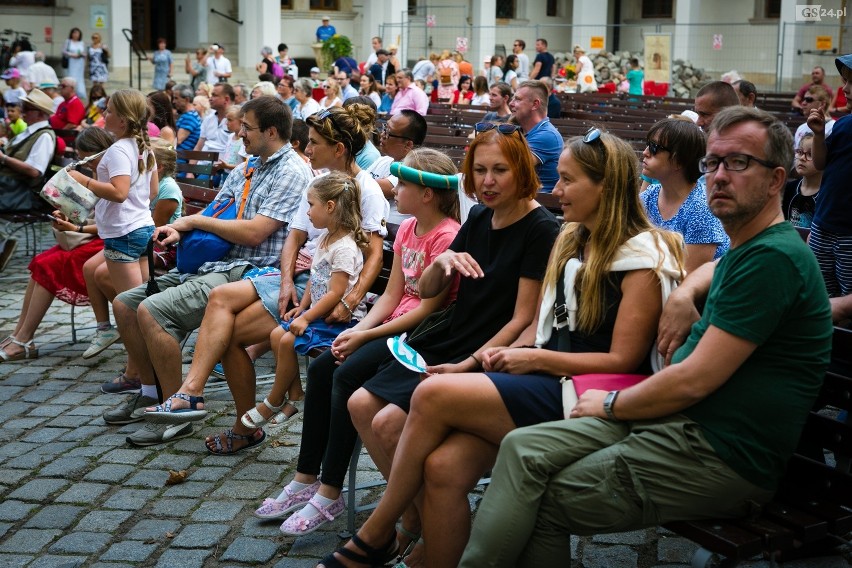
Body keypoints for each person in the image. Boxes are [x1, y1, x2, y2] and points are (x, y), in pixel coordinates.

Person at [458, 105, 833, 568]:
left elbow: (693, 380)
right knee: (519, 447)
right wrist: (688, 290)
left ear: (777, 180)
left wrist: (613, 405)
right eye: (711, 163)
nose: (718, 176)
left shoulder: (772, 260)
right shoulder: (750, 248)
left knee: (547, 498)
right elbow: (718, 269)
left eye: (737, 163)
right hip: (676, 424)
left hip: (718, 453)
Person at [325, 127, 684, 568]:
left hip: (590, 390)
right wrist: (445, 271)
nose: (557, 188)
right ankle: (420, 546)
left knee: (430, 394)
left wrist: (519, 357)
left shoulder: (635, 257)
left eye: (568, 180)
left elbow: (622, 361)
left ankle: (377, 533)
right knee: (441, 467)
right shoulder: (575, 238)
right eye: (480, 170)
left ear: (606, 187)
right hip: (542, 370)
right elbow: (532, 320)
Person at [321, 119, 560, 568]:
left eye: (500, 171)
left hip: (488, 346)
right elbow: (429, 289)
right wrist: (444, 260)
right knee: (359, 404)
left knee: (390, 423)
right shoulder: (479, 216)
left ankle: (405, 530)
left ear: (523, 173)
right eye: (480, 170)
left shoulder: (540, 228)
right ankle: (413, 517)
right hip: (452, 335)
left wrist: (470, 365)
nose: (487, 182)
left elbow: (524, 318)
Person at [141, 104, 386, 450]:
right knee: (220, 300)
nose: (308, 148)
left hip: (327, 284)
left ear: (339, 149)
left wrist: (351, 298)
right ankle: (192, 394)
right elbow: (294, 237)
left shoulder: (365, 188)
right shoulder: (318, 181)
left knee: (227, 333)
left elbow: (374, 253)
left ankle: (241, 424)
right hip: (297, 276)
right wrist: (285, 281)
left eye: (315, 143)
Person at [257, 148, 461, 535]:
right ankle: (305, 478)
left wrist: (367, 334)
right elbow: (393, 294)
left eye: (402, 184)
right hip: (391, 327)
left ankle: (331, 489)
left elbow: (427, 308)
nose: (394, 189)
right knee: (321, 367)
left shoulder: (446, 235)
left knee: (343, 377)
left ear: (428, 194)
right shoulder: (406, 228)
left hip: (419, 336)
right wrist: (358, 328)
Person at [104, 96, 312, 447]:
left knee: (153, 310)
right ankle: (151, 392)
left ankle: (177, 411)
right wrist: (180, 229)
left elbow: (256, 231)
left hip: (250, 269)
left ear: (271, 131)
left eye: (246, 127)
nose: (239, 134)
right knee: (125, 303)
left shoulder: (291, 171)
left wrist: (195, 220)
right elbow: (220, 208)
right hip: (216, 263)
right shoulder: (250, 164)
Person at [229, 171, 370, 449]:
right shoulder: (325, 239)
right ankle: (295, 394)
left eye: (311, 205)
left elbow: (335, 294)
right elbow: (315, 281)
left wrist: (307, 317)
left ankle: (272, 400)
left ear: (330, 207)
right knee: (274, 336)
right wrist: (301, 309)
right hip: (317, 314)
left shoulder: (344, 248)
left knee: (288, 339)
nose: (307, 212)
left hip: (337, 323)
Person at [0, 127, 113, 361]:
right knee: (41, 261)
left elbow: (112, 224)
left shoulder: (114, 175)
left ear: (97, 152)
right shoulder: (103, 172)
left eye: (87, 157)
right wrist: (69, 216)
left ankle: (23, 339)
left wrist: (77, 228)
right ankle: (20, 335)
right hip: (102, 235)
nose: (85, 163)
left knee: (51, 264)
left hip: (110, 240)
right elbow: (98, 217)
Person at [65, 90, 157, 332]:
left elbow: (119, 192)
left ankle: (137, 369)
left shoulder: (118, 150)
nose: (104, 114)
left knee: (131, 308)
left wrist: (82, 180)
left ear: (123, 120)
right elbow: (153, 190)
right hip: (142, 227)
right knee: (143, 304)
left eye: (109, 110)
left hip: (123, 233)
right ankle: (141, 365)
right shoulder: (143, 145)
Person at [640, 118, 729, 274]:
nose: (645, 152)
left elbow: (686, 276)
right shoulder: (649, 197)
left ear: (678, 161)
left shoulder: (702, 209)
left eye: (654, 148)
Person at [807, 53, 852, 311]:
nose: (844, 88)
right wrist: (818, 135)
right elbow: (821, 162)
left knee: (847, 297)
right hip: (824, 225)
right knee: (820, 291)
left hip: (849, 234)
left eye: (851, 82)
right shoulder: (844, 125)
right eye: (845, 81)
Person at [0, 89, 57, 215]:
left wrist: (3, 158)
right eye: (23, 107)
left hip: (14, 189)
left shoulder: (44, 136)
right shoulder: (29, 131)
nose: (22, 112)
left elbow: (34, 171)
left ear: (41, 114)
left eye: (27, 108)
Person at [371, 109, 428, 223]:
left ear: (408, 144)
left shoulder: (414, 169)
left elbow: (365, 186)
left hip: (391, 235)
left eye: (388, 132)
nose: (382, 134)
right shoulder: (382, 161)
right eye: (384, 128)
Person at [509, 80, 563, 192]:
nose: (511, 103)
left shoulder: (547, 135)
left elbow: (511, 167)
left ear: (535, 104)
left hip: (541, 204)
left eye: (518, 99)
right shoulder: (520, 130)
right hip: (522, 199)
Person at [783, 133, 821, 228]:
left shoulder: (828, 194)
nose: (802, 158)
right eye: (799, 152)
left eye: (810, 154)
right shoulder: (788, 188)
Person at [794, 84, 834, 150]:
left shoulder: (833, 127)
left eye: (809, 99)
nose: (803, 103)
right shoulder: (801, 128)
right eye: (804, 99)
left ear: (822, 104)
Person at [172, 85, 202, 153]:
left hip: (180, 160)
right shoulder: (188, 115)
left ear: (187, 100)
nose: (173, 101)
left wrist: (167, 149)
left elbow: (178, 141)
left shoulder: (190, 117)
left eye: (176, 98)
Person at [62, 28, 87, 101]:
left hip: (80, 62)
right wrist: (72, 54)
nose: (76, 35)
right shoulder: (68, 42)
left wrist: (82, 54)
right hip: (71, 61)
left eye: (77, 33)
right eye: (74, 33)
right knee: (72, 76)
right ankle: (71, 91)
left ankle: (80, 93)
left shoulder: (81, 43)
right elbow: (64, 51)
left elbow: (85, 53)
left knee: (79, 77)